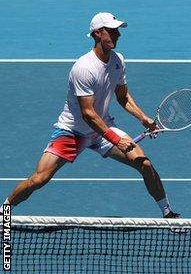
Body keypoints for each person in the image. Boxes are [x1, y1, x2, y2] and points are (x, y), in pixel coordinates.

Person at [3, 12, 180, 218]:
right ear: (97, 33)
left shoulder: (118, 61)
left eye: (117, 31)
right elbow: (88, 114)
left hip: (101, 129)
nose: (117, 35)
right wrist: (116, 139)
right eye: (112, 31)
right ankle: (3, 212)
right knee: (39, 179)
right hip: (72, 132)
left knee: (145, 164)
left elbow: (123, 97)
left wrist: (143, 117)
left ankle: (168, 214)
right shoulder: (84, 68)